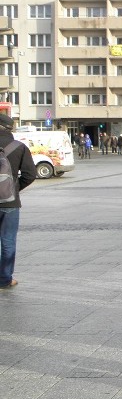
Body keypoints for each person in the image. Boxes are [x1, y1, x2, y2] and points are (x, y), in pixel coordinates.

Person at [0, 114, 37, 289]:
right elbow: (30, 175)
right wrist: (14, 190)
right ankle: (5, 279)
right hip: (10, 203)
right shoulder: (19, 147)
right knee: (8, 241)